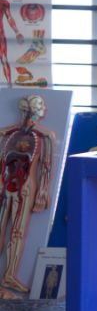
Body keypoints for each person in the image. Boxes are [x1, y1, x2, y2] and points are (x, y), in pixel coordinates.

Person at [0, 95, 55, 295]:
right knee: (9, 230)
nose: (44, 109)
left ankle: (9, 275)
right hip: (6, 184)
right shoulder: (9, 134)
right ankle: (8, 275)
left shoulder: (44, 137)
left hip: (24, 187)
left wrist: (42, 193)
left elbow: (46, 166)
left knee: (17, 231)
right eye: (41, 107)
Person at [0, 0, 24, 88]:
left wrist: (17, 32)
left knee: (4, 60)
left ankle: (9, 85)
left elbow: (9, 17)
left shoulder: (3, 3)